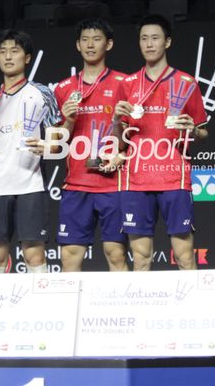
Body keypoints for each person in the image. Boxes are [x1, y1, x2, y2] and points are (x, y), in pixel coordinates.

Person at [112, 14, 208, 271]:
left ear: (167, 42)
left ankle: (194, 311)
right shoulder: (128, 84)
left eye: (155, 38)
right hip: (136, 178)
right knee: (141, 257)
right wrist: (114, 119)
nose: (149, 44)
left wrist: (194, 131)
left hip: (174, 177)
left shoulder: (186, 83)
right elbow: (118, 138)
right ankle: (142, 311)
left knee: (185, 255)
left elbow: (202, 132)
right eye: (144, 38)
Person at [0, 30, 61, 273]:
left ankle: (38, 311)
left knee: (34, 257)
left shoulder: (42, 93)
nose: (8, 57)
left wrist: (46, 146)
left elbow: (58, 142)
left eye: (14, 51)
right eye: (3, 52)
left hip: (29, 185)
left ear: (27, 58)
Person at [52, 18, 129, 272]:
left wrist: (122, 154)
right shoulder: (64, 88)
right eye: (84, 40)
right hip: (77, 184)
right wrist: (69, 121)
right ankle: (67, 312)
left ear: (109, 44)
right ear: (77, 45)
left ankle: (123, 312)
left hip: (113, 184)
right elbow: (57, 143)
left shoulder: (124, 83)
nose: (90, 45)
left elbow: (136, 134)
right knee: (70, 256)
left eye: (96, 39)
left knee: (116, 254)